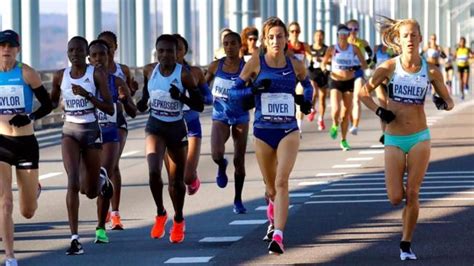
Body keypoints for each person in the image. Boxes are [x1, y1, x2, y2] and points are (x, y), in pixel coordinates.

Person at [360, 16, 454, 260]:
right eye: (405, 36)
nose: (410, 39)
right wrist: (380, 111)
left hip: (420, 137)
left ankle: (406, 243)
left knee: (413, 192)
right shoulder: (389, 67)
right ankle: (404, 214)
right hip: (394, 138)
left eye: (414, 35)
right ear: (398, 41)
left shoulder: (431, 70)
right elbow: (363, 93)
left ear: (420, 39)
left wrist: (441, 103)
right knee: (395, 197)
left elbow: (450, 102)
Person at [229, 17, 313, 255]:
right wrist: (253, 89)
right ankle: (272, 212)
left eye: (280, 36)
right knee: (270, 187)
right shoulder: (256, 62)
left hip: (288, 130)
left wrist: (305, 101)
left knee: (281, 181)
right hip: (263, 132)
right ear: (265, 41)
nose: (276, 40)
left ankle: (279, 235)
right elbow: (235, 93)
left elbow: (308, 86)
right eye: (271, 37)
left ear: (287, 39)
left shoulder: (294, 63)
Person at [136, 34, 203, 243]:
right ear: (156, 52)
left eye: (170, 51)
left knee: (176, 182)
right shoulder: (149, 70)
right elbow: (145, 99)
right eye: (161, 51)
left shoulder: (184, 75)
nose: (165, 55)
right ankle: (160, 213)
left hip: (176, 127)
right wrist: (135, 102)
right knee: (154, 171)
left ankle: (179, 219)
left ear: (178, 54)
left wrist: (181, 97)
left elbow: (199, 105)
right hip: (155, 125)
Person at [51, 36, 114, 254]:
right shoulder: (60, 76)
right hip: (69, 131)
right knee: (72, 181)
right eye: (71, 50)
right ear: (67, 53)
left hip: (90, 131)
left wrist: (87, 95)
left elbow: (109, 108)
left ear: (85, 53)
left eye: (79, 50)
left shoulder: (95, 74)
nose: (75, 54)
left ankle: (103, 180)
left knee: (90, 191)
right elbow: (51, 101)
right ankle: (75, 239)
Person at [0, 29, 53, 266]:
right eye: (2, 45)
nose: (6, 50)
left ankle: (34, 189)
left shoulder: (26, 73)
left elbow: (48, 105)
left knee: (28, 210)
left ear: (17, 49)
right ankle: (10, 256)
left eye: (11, 46)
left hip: (25, 143)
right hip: (1, 143)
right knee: (5, 202)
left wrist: (28, 116)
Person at [88, 39, 136, 240]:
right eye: (95, 55)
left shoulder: (117, 78)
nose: (99, 59)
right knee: (88, 183)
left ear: (110, 55)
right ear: (89, 58)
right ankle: (105, 211)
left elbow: (133, 111)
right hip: (91, 131)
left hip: (114, 128)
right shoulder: (83, 79)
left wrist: (125, 99)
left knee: (108, 169)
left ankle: (111, 217)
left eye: (103, 54)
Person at [163, 34, 212, 196]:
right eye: (172, 49)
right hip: (168, 127)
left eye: (179, 49)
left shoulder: (195, 73)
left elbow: (208, 98)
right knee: (173, 178)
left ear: (184, 52)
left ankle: (193, 178)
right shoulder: (159, 73)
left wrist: (193, 96)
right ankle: (178, 216)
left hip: (191, 126)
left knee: (187, 176)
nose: (175, 53)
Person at [206, 32, 249, 214]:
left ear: (240, 45)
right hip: (220, 114)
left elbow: (255, 89)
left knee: (239, 161)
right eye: (226, 44)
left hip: (240, 116)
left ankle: (238, 199)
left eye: (232, 43)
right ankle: (221, 165)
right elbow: (202, 85)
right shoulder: (216, 66)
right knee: (216, 154)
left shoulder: (247, 67)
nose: (229, 47)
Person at [321, 24, 367, 151]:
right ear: (337, 35)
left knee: (346, 112)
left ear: (348, 35)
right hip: (335, 81)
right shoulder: (332, 48)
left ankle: (343, 140)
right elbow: (323, 63)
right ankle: (335, 124)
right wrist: (326, 70)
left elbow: (364, 64)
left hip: (349, 81)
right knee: (335, 109)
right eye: (340, 33)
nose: (343, 36)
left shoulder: (354, 48)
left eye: (345, 33)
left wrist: (356, 68)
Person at [346, 19, 373, 135]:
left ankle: (355, 126)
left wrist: (366, 65)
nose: (353, 31)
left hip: (358, 73)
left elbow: (372, 56)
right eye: (350, 29)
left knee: (357, 98)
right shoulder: (343, 43)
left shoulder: (363, 43)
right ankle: (351, 122)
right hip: (346, 75)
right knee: (347, 102)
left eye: (355, 29)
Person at [287, 22, 311, 136]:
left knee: (299, 100)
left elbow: (311, 57)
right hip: (289, 77)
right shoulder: (286, 47)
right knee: (290, 103)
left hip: (300, 76)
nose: (295, 33)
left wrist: (313, 62)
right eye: (292, 31)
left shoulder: (304, 46)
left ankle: (299, 127)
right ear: (289, 33)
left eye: (297, 31)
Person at [373, 43, 396, 143]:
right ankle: (385, 134)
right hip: (379, 82)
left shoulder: (392, 49)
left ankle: (392, 131)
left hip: (391, 82)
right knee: (383, 108)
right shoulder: (377, 49)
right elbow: (371, 63)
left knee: (391, 106)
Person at [307, 30, 329, 130]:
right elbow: (307, 56)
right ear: (313, 37)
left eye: (321, 36)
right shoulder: (310, 48)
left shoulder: (326, 48)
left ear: (323, 37)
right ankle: (312, 109)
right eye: (317, 35)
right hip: (312, 72)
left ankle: (320, 119)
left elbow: (331, 60)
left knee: (322, 98)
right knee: (313, 90)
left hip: (322, 74)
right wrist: (312, 58)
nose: (319, 38)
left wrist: (324, 61)